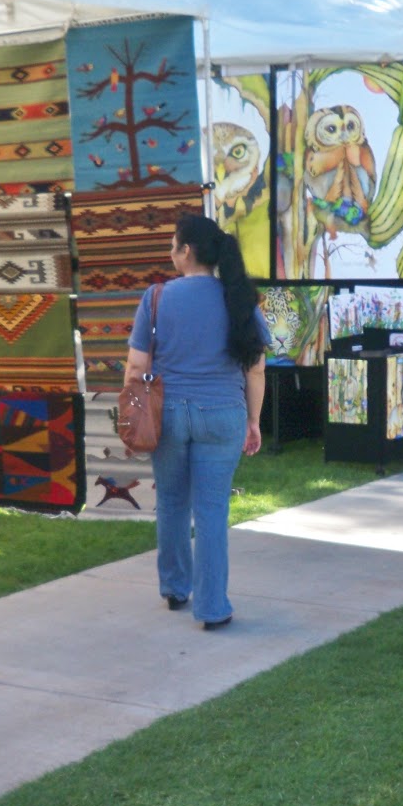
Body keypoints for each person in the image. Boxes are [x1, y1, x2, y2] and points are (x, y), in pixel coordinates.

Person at [124, 215, 267, 629]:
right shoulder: (237, 297)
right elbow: (255, 370)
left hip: (166, 414)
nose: (171, 254)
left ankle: (174, 587)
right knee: (211, 510)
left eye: (173, 246)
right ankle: (213, 607)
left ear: (186, 252)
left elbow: (137, 366)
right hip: (223, 414)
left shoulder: (156, 297)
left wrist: (133, 416)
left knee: (170, 502)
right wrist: (254, 421)